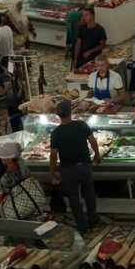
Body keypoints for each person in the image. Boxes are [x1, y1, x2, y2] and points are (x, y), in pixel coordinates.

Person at [48, 100, 99, 234]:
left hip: (68, 170)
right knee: (89, 193)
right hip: (84, 166)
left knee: (74, 198)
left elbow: (53, 155)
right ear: (70, 112)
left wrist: (52, 172)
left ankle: (82, 226)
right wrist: (97, 155)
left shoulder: (56, 133)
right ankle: (93, 219)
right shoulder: (81, 125)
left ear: (58, 115)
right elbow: (93, 141)